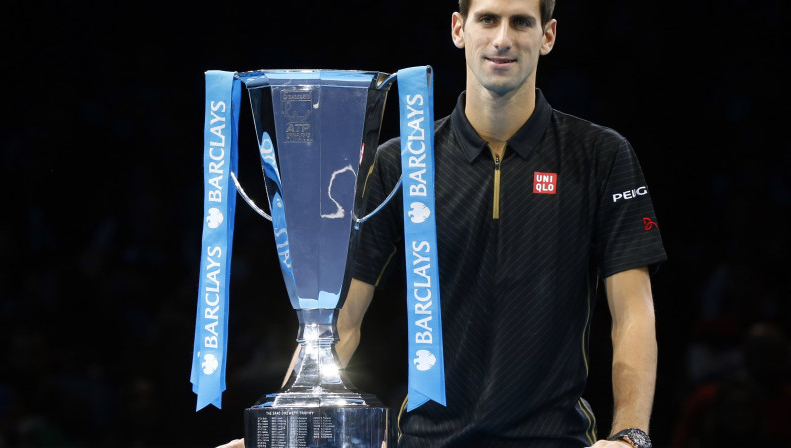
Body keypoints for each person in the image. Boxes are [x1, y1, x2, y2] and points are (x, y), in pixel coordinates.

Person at [219, 0, 666, 446]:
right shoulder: (401, 163)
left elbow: (632, 314)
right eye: (488, 19)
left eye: (521, 23)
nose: (503, 39)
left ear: (547, 35)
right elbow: (341, 316)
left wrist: (630, 435)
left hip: (556, 440)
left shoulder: (601, 156)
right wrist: (290, 428)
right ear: (459, 29)